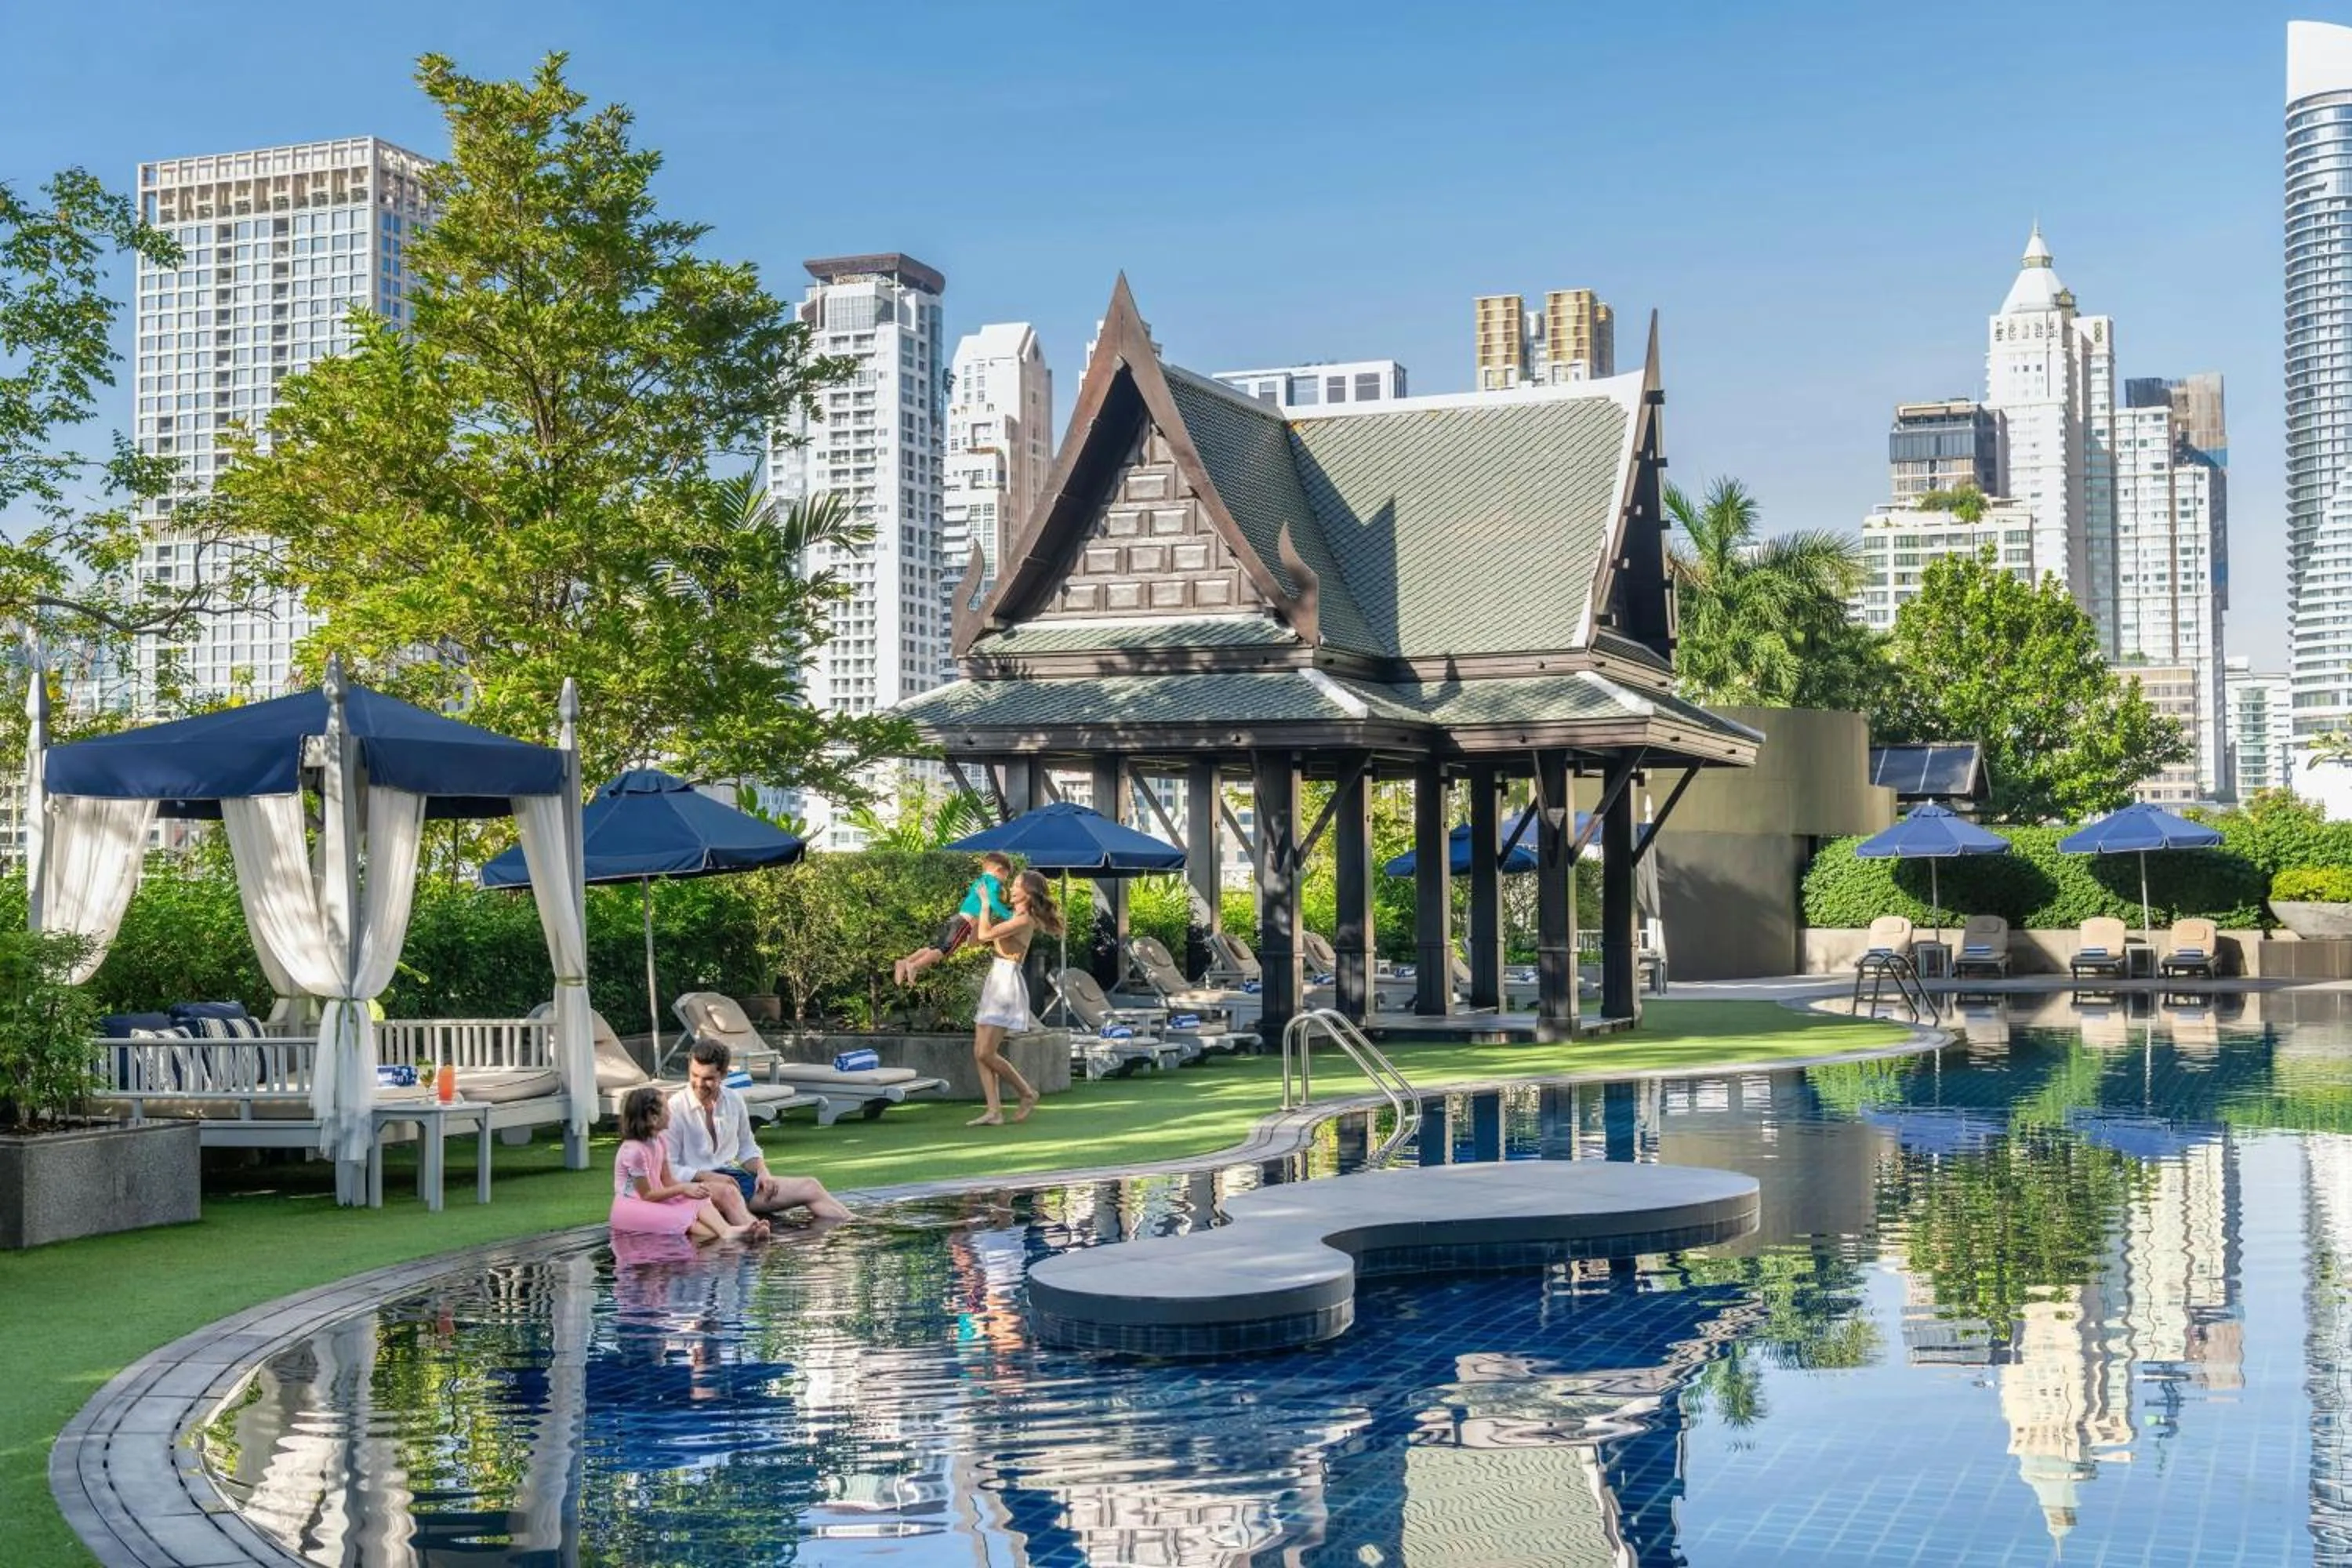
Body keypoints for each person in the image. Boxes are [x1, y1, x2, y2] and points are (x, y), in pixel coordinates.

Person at [665, 1040, 853, 1225]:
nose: (699, 1083)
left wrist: (764, 1173)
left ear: (723, 1074)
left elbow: (747, 1148)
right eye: (694, 1075)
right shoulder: (675, 1108)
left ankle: (857, 1227)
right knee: (731, 1196)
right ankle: (755, 1234)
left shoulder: (734, 1100)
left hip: (734, 1180)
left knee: (811, 1186)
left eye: (708, 1078)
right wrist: (706, 1176)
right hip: (696, 1186)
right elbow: (668, 1168)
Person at [966, 868, 1060, 1127]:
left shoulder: (1025, 920)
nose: (1013, 888)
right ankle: (994, 1111)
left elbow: (987, 935)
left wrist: (985, 906)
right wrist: (974, 919)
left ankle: (1027, 1092)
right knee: (979, 1052)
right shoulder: (1012, 917)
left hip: (1006, 984)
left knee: (986, 1052)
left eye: (1018, 885)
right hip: (995, 979)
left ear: (1028, 893)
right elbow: (977, 941)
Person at [611, 1086, 764, 1243]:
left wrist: (692, 1189)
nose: (671, 1112)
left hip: (653, 1201)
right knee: (699, 1228)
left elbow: (668, 1181)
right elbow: (647, 1195)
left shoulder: (659, 1141)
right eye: (666, 1108)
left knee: (699, 1199)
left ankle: (727, 1231)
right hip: (632, 1208)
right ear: (652, 1117)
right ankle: (731, 1236)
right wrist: (683, 1188)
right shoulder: (634, 1151)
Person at [894, 851, 1016, 986]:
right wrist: (1009, 916)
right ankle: (915, 966)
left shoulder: (980, 881)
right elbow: (993, 902)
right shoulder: (994, 883)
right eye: (1006, 876)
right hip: (964, 923)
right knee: (942, 952)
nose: (1004, 880)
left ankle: (905, 962)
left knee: (932, 947)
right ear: (999, 870)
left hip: (956, 918)